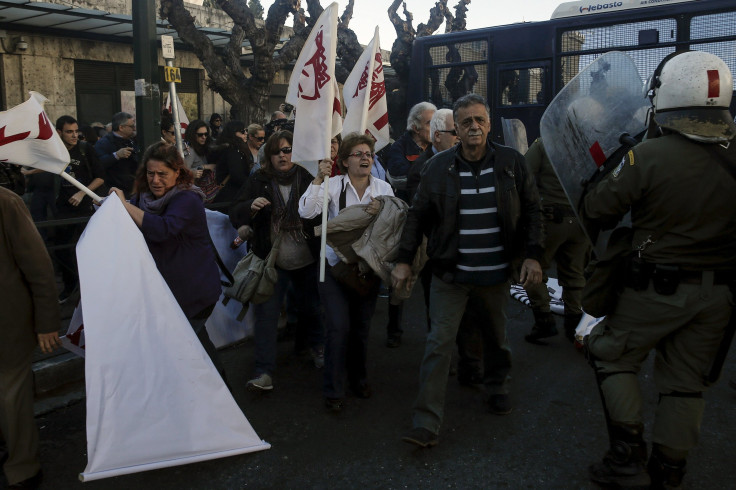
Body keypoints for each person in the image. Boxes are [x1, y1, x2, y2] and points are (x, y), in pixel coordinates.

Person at [581, 51, 736, 489]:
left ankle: (626, 458)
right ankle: (670, 471)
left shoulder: (647, 156)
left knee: (611, 354)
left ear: (666, 94)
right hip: (719, 295)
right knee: (686, 384)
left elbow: (598, 207)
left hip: (656, 289)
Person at [392, 94, 544, 447]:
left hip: (495, 275)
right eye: (466, 122)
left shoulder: (512, 163)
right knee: (438, 344)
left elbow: (534, 211)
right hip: (451, 275)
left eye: (480, 120)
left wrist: (533, 255)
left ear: (489, 125)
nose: (474, 126)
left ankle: (498, 386)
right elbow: (416, 215)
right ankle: (426, 421)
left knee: (497, 338)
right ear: (456, 129)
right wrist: (403, 260)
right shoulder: (438, 166)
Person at [108, 142, 227, 383]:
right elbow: (131, 219)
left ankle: (214, 397)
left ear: (178, 173)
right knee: (196, 348)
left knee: (180, 353)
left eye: (163, 174)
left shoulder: (187, 199)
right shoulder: (142, 198)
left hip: (193, 292)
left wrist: (123, 206)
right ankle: (219, 395)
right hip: (168, 293)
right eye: (151, 173)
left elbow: (163, 229)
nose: (155, 180)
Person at [299, 133, 394, 412]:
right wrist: (318, 179)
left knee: (361, 329)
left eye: (369, 153)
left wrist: (385, 209)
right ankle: (333, 388)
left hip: (367, 270)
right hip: (334, 269)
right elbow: (306, 213)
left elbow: (395, 223)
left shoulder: (383, 189)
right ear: (344, 161)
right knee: (338, 328)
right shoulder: (333, 185)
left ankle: (358, 378)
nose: (365, 157)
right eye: (358, 154)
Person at [229, 131, 324, 392]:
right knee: (266, 315)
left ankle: (316, 348)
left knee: (312, 308)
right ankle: (263, 372)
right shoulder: (259, 179)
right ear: (269, 156)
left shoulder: (308, 177)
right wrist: (249, 208)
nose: (282, 155)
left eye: (288, 150)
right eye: (277, 151)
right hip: (271, 259)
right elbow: (235, 209)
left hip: (306, 257)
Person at [1, 185, 61, 489]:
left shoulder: (6, 202)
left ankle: (22, 468)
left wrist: (47, 321)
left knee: (12, 397)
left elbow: (38, 267)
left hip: (7, 323)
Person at [523, 137, 591, 345]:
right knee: (574, 274)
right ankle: (574, 327)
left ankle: (544, 321)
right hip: (580, 220)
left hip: (550, 220)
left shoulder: (546, 142)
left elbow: (524, 172)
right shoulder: (588, 143)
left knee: (532, 268)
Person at [53, 115, 106, 303]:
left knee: (86, 248)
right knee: (62, 251)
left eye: (76, 131)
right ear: (59, 133)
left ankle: (88, 290)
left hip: (84, 209)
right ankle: (70, 287)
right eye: (69, 132)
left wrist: (82, 193)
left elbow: (100, 177)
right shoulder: (54, 151)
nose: (74, 135)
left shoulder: (85, 149)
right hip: (60, 209)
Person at [385, 101, 436, 201]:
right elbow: (398, 178)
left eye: (436, 123)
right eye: (430, 124)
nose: (435, 128)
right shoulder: (399, 147)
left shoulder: (437, 145)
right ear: (416, 128)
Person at [94, 112, 139, 197]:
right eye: (131, 126)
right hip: (113, 190)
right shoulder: (104, 142)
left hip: (132, 189)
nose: (134, 129)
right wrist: (116, 155)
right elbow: (98, 164)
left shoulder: (133, 140)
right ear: (121, 127)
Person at [214, 121, 253, 204]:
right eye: (242, 131)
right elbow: (237, 174)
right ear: (233, 133)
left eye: (246, 130)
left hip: (229, 194)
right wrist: (251, 187)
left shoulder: (230, 148)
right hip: (230, 196)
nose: (246, 133)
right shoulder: (233, 150)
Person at [183, 120, 219, 202]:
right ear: (192, 135)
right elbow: (182, 172)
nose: (204, 137)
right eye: (200, 135)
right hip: (192, 193)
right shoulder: (189, 150)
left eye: (206, 134)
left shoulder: (203, 147)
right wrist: (203, 167)